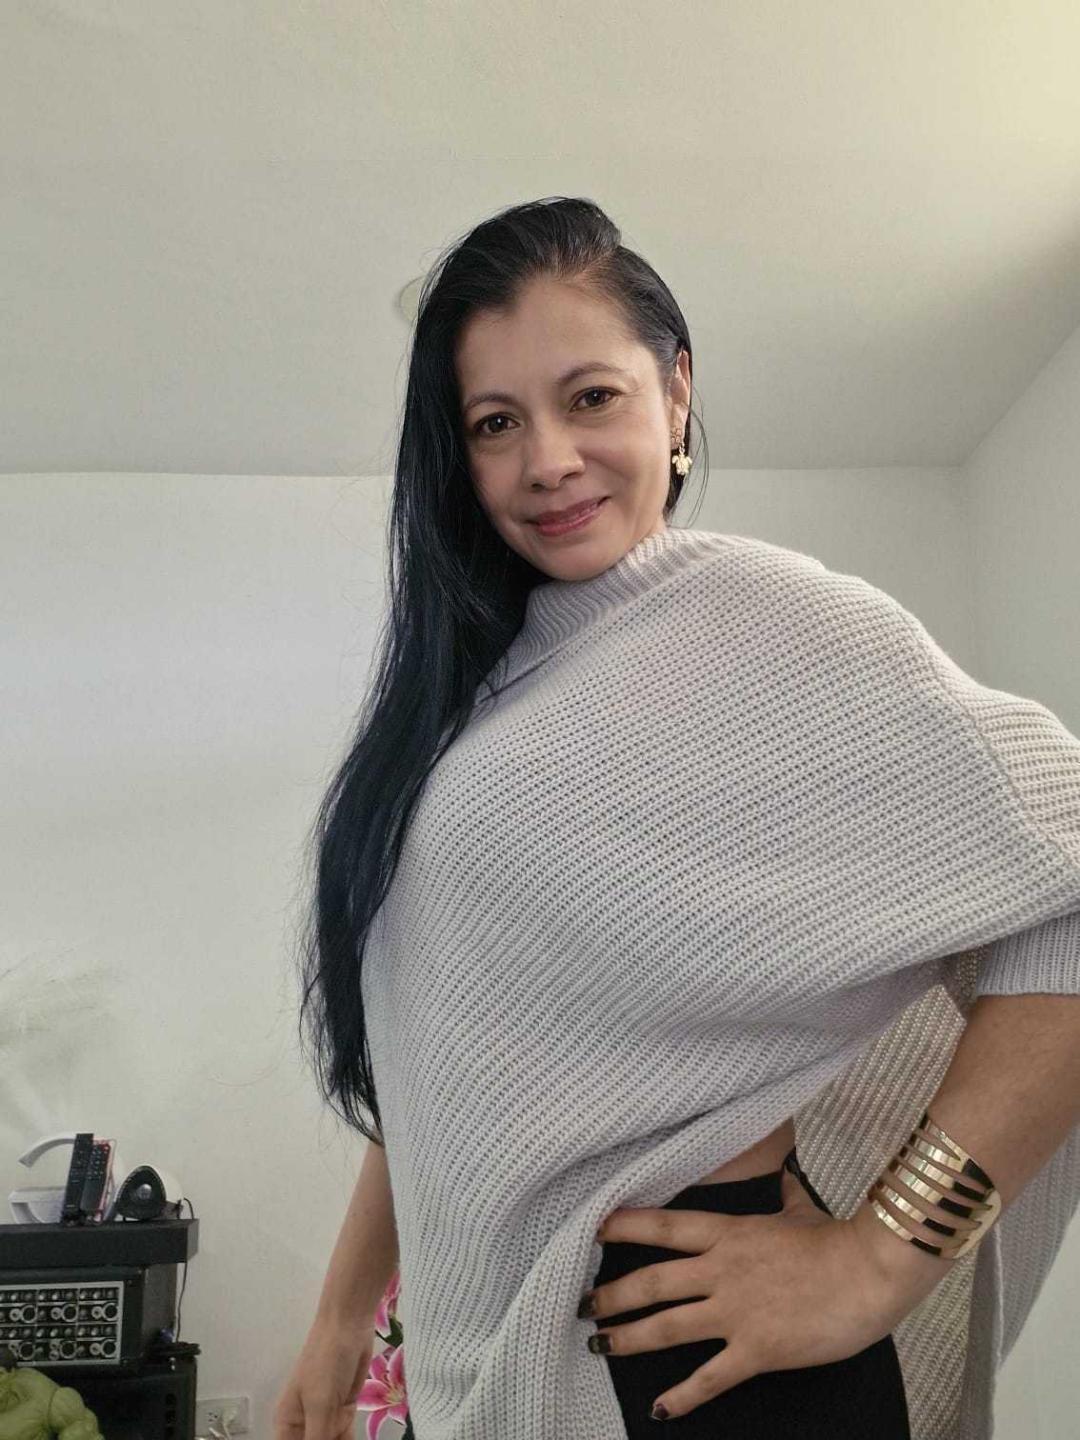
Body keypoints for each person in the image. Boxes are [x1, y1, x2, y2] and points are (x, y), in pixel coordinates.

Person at [274, 197, 1080, 1440]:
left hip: (696, 1352)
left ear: (676, 391)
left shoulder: (773, 623)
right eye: (496, 423)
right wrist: (341, 1316)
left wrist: (882, 1257)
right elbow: (455, 1053)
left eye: (590, 397)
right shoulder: (468, 703)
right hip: (483, 1350)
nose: (547, 460)